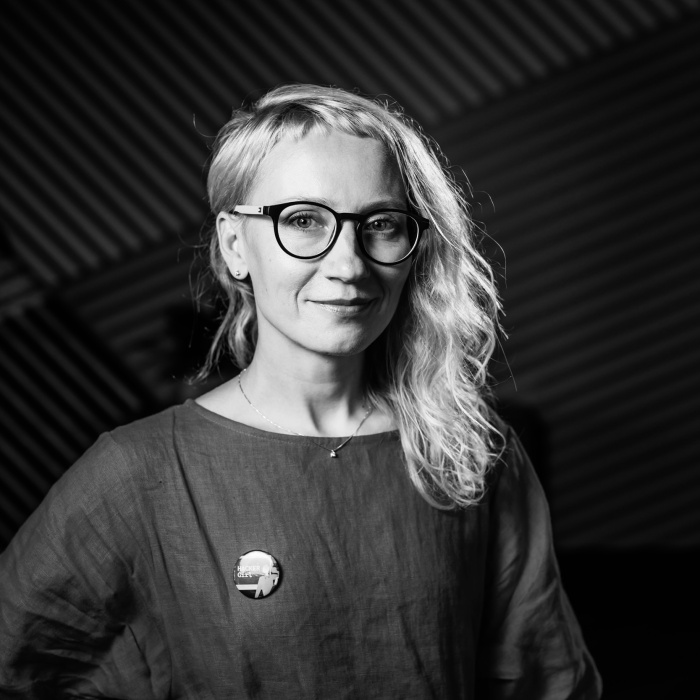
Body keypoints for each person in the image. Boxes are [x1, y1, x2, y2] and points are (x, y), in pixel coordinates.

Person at [0, 84, 602, 698]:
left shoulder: (474, 454)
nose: (349, 265)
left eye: (381, 224)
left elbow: (548, 683)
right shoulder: (140, 472)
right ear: (235, 244)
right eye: (304, 221)